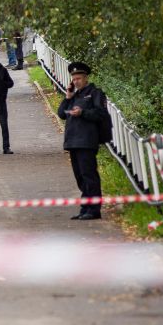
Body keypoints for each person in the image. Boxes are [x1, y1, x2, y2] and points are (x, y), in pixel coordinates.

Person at [57, 62, 109, 221]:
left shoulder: (95, 93)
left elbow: (100, 114)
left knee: (89, 175)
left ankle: (94, 209)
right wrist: (67, 98)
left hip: (87, 140)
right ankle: (85, 207)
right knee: (80, 176)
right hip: (73, 141)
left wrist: (83, 112)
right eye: (74, 78)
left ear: (85, 78)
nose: (76, 81)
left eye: (79, 78)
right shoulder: (75, 96)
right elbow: (61, 114)